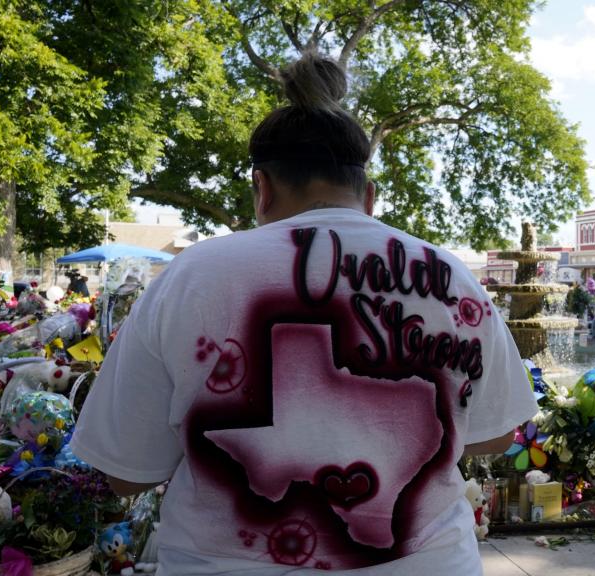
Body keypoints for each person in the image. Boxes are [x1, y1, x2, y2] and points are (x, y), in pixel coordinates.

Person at [71, 54, 537, 576]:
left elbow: (127, 474)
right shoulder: (451, 276)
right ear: (369, 195)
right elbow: (495, 435)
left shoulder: (189, 276)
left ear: (262, 188)